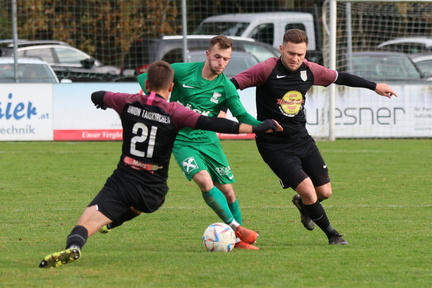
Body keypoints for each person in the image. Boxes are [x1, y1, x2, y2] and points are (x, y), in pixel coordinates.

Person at [38, 60, 281, 268]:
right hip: (153, 189)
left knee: (86, 220)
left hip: (123, 178)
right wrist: (257, 128)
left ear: (146, 84)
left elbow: (98, 95)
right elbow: (216, 124)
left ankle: (74, 245)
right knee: (137, 206)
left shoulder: (127, 101)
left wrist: (102, 101)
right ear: (171, 87)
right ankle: (112, 222)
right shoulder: (175, 111)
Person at [230, 29, 398, 245]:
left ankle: (303, 204)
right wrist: (231, 110)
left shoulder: (309, 70)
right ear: (281, 49)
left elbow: (340, 77)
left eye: (300, 54)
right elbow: (232, 85)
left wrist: (374, 86)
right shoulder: (266, 69)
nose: (295, 58)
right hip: (274, 146)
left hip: (302, 139)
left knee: (324, 192)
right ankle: (333, 235)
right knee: (309, 191)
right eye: (291, 53)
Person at [136, 35, 264, 250]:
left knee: (229, 191)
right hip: (181, 140)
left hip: (209, 141)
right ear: (207, 55)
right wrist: (158, 97)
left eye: (226, 59)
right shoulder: (183, 71)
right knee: (205, 182)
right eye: (217, 57)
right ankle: (237, 231)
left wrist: (264, 125)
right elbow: (144, 78)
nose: (221, 63)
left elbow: (243, 117)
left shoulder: (226, 87)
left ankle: (238, 240)